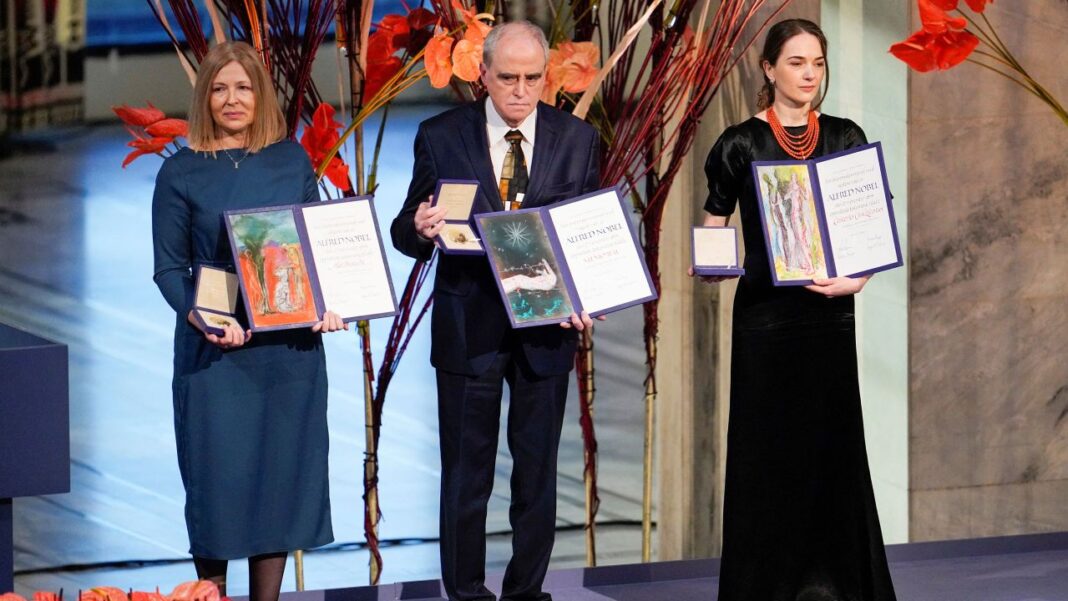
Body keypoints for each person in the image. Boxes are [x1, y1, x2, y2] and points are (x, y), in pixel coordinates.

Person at [391, 20, 600, 601]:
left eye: (533, 78)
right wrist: (419, 226)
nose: (521, 90)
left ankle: (525, 593)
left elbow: (590, 235)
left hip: (546, 330)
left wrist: (590, 296)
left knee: (536, 475)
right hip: (469, 324)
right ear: (482, 75)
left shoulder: (576, 140)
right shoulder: (440, 135)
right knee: (466, 477)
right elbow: (406, 227)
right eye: (508, 77)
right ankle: (465, 593)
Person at [693, 19, 898, 601]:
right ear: (769, 70)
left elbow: (872, 227)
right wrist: (709, 259)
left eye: (818, 64)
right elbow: (714, 224)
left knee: (833, 450)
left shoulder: (844, 134)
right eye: (796, 63)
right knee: (766, 457)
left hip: (828, 322)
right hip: (765, 322)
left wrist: (856, 280)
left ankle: (836, 585)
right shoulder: (738, 142)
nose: (809, 74)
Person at [151, 41, 346, 601]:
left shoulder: (291, 160)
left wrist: (329, 302)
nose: (232, 99)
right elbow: (168, 269)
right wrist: (205, 319)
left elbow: (314, 250)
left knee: (278, 489)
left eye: (243, 87)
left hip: (289, 356)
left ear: (260, 95)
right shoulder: (182, 172)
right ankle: (210, 593)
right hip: (215, 357)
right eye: (219, 88)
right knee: (217, 488)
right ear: (203, 98)